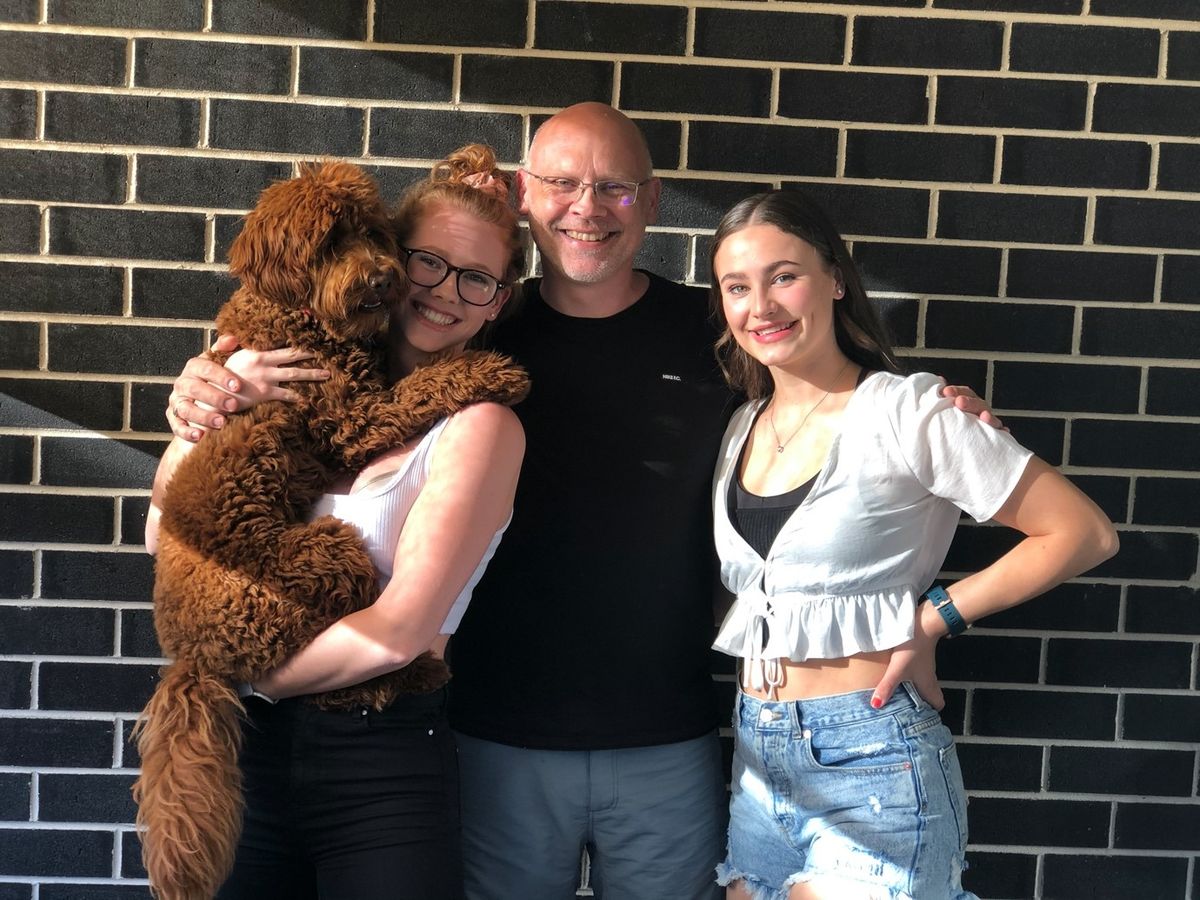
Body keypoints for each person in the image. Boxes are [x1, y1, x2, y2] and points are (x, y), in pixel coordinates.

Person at [165, 104, 1004, 900]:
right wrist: (210, 382)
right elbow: (296, 382)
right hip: (492, 731)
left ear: (653, 201)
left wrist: (937, 416)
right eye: (563, 184)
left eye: (615, 188)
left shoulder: (717, 330)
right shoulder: (471, 319)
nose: (587, 208)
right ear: (525, 194)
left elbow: (829, 398)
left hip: (668, 729)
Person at [706, 190, 1119, 900]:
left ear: (836, 280)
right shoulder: (742, 425)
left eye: (784, 276)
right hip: (758, 760)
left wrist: (934, 619)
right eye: (737, 287)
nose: (761, 306)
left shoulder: (910, 409)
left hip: (872, 759)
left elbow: (1082, 532)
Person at [145, 145, 526, 900]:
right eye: (426, 262)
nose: (442, 292)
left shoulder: (481, 424)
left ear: (497, 301)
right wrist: (212, 399)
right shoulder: (278, 369)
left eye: (475, 278)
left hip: (377, 757)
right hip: (244, 749)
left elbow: (398, 633)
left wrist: (242, 682)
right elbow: (162, 530)